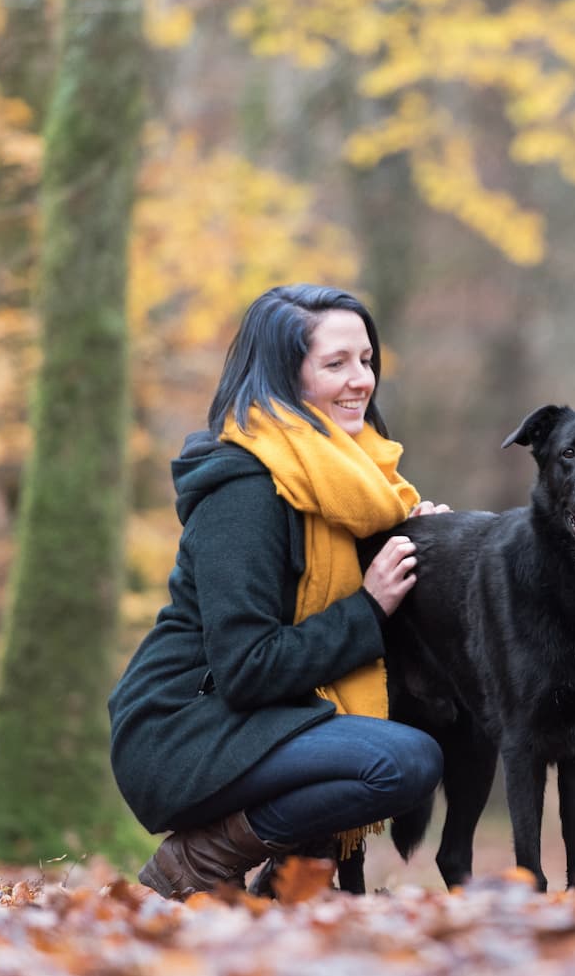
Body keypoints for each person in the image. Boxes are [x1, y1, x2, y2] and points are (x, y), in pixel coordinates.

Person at [109, 284, 447, 899]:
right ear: (286, 379)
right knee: (403, 762)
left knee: (411, 750)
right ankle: (198, 860)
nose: (361, 381)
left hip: (258, 719)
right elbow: (247, 667)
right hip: (184, 726)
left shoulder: (355, 485)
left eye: (367, 360)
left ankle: (289, 880)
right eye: (336, 364)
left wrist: (421, 545)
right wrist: (369, 607)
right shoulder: (246, 494)